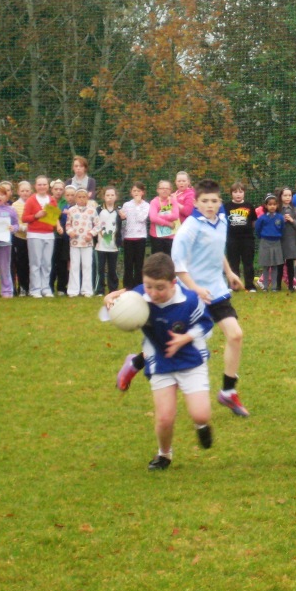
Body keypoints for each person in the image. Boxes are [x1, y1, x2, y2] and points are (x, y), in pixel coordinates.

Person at [105, 253, 216, 470]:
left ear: (173, 283)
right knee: (165, 418)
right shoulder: (139, 296)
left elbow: (206, 324)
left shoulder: (189, 301)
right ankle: (164, 454)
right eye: (148, 286)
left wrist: (186, 337)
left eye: (160, 288)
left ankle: (202, 426)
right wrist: (110, 299)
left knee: (201, 413)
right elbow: (122, 298)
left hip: (190, 360)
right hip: (160, 361)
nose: (153, 293)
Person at [167, 178, 249, 417]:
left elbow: (217, 248)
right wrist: (195, 289)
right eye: (205, 201)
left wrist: (229, 271)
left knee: (235, 335)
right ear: (196, 202)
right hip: (189, 294)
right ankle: (137, 362)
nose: (210, 205)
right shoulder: (189, 228)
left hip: (216, 291)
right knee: (171, 339)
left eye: (214, 201)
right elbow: (177, 265)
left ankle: (228, 392)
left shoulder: (222, 219)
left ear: (219, 202)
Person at [22, 176, 58, 298]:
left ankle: (46, 288)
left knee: (47, 263)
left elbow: (53, 219)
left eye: (44, 184)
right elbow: (25, 218)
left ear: (48, 186)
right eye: (39, 184)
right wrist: (36, 216)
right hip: (34, 235)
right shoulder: (31, 200)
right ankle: (35, 289)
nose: (42, 187)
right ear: (35, 186)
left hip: (49, 235)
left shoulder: (52, 200)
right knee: (35, 263)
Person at [224, 182, 258, 292]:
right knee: (233, 262)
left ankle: (250, 285)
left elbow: (253, 222)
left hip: (247, 239)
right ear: (231, 193)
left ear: (244, 193)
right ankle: (234, 285)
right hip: (232, 239)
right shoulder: (226, 206)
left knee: (248, 262)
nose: (238, 194)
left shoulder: (249, 206)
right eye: (235, 192)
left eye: (240, 192)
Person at [66, 188, 96, 297]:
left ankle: (87, 290)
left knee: (87, 265)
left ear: (87, 198)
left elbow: (98, 225)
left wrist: (91, 234)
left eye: (84, 197)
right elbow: (68, 224)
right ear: (75, 198)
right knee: (74, 265)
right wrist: (70, 232)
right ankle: (73, 290)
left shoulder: (92, 210)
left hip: (87, 243)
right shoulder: (72, 210)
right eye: (79, 197)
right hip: (74, 242)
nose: (82, 199)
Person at [120, 181, 150, 289]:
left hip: (140, 237)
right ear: (131, 192)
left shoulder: (146, 205)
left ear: (142, 192)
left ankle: (138, 285)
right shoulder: (126, 205)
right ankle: (127, 285)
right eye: (134, 191)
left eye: (138, 191)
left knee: (139, 264)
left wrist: (137, 205)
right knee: (128, 264)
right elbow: (123, 222)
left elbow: (141, 218)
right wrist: (122, 236)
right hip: (128, 237)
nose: (136, 193)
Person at [255, 193, 286, 291]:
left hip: (276, 242)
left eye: (274, 204)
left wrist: (278, 236)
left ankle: (274, 286)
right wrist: (262, 237)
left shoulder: (280, 217)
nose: (272, 206)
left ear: (277, 205)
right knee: (266, 265)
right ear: (266, 205)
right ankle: (265, 286)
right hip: (265, 242)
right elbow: (257, 229)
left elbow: (282, 229)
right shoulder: (262, 218)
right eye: (270, 204)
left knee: (275, 265)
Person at [94, 187, 120, 295]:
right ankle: (100, 289)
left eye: (112, 195)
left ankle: (113, 289)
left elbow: (121, 226)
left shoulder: (119, 210)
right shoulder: (99, 210)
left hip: (114, 246)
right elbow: (95, 225)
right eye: (107, 195)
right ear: (103, 197)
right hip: (100, 245)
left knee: (112, 269)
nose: (110, 197)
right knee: (100, 269)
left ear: (116, 197)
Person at [148, 180, 180, 256]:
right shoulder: (154, 202)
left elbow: (175, 215)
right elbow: (153, 218)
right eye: (162, 188)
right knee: (157, 260)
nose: (164, 190)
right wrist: (168, 223)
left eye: (167, 188)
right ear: (158, 190)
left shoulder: (173, 201)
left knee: (169, 260)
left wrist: (159, 216)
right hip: (157, 237)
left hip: (170, 236)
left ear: (170, 190)